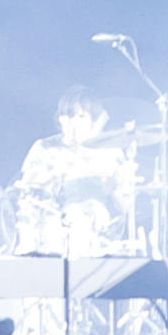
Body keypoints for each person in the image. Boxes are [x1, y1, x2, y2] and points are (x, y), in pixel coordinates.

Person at [10, 86, 137, 257]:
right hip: (51, 238)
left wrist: (114, 189)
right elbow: (25, 197)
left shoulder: (111, 152)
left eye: (81, 116)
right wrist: (46, 183)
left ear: (96, 120)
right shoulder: (45, 148)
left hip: (98, 241)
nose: (71, 122)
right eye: (66, 116)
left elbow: (124, 208)